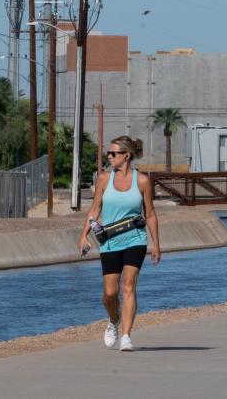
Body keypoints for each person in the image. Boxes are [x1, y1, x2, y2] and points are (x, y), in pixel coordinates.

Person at [77, 136, 160, 352]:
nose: (109, 157)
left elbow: (150, 214)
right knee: (110, 293)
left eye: (113, 154)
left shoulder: (141, 181)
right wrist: (84, 235)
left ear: (126, 156)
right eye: (108, 154)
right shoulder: (104, 179)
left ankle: (126, 336)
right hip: (110, 241)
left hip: (136, 239)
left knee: (129, 286)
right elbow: (95, 209)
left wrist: (156, 245)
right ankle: (113, 319)